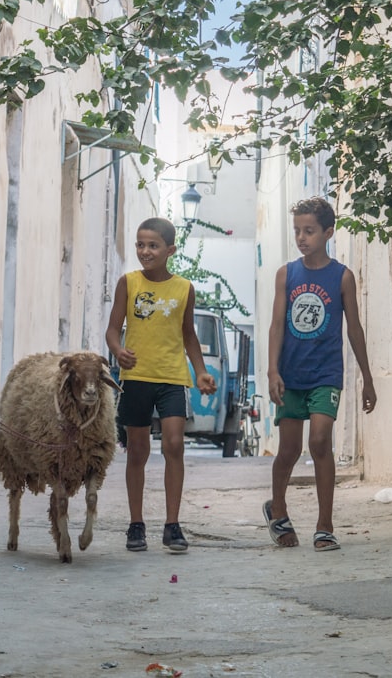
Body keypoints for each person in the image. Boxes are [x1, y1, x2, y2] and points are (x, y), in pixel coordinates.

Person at [264, 198, 376, 552]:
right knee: (288, 449)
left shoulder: (342, 277)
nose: (301, 237)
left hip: (326, 373)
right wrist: (272, 371)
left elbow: (354, 329)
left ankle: (324, 525)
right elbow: (277, 326)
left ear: (328, 232)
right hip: (291, 374)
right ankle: (277, 509)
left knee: (320, 441)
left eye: (309, 231)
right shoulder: (287, 274)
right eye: (297, 230)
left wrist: (367, 378)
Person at [106, 217, 217, 553]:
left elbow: (188, 334)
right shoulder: (128, 283)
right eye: (140, 244)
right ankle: (136, 524)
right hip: (136, 377)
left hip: (171, 378)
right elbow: (113, 329)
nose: (145, 251)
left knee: (174, 446)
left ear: (170, 250)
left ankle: (172, 524)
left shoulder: (184, 288)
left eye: (153, 245)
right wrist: (117, 350)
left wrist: (199, 372)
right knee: (137, 451)